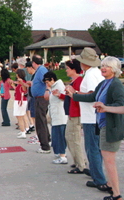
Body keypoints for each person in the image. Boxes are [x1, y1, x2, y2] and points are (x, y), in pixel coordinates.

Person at [70, 56, 124, 200]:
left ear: (114, 69)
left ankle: (117, 194)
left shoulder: (116, 85)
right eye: (102, 65)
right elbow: (92, 96)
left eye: (107, 66)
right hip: (103, 125)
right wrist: (73, 95)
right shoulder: (104, 83)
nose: (103, 68)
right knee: (106, 159)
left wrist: (105, 107)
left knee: (109, 161)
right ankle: (111, 186)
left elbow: (121, 106)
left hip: (111, 126)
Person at [66, 47, 107, 192]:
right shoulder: (97, 73)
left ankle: (99, 179)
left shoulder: (90, 75)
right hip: (97, 115)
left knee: (92, 149)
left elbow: (91, 95)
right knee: (97, 147)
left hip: (90, 116)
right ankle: (97, 173)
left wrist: (74, 94)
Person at [52, 59, 87, 172]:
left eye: (67, 68)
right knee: (70, 138)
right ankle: (78, 161)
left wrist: (72, 93)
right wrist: (61, 95)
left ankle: (80, 165)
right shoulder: (74, 81)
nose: (66, 70)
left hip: (75, 114)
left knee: (73, 138)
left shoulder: (79, 81)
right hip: (72, 113)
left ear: (73, 69)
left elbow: (78, 98)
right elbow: (69, 98)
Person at [43, 71, 68, 164]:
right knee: (56, 136)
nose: (47, 84)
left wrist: (59, 95)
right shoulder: (53, 86)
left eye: (47, 82)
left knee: (60, 136)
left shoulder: (59, 85)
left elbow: (65, 97)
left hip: (60, 116)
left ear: (52, 79)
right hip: (55, 115)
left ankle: (62, 155)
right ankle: (59, 153)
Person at [31, 55, 51, 153]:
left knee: (40, 122)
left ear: (33, 63)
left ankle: (45, 146)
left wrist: (47, 89)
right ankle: (47, 139)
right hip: (39, 97)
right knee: (42, 120)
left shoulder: (41, 70)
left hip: (41, 98)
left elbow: (48, 79)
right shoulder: (39, 70)